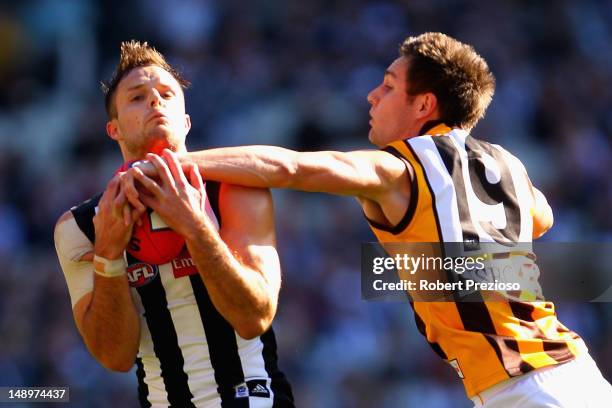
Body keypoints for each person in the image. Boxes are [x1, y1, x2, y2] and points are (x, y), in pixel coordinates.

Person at [124, 33, 611, 407]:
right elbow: (540, 216)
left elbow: (289, 166)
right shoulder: (509, 162)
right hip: (572, 370)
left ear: (424, 106)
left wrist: (171, 165)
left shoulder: (399, 168)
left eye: (389, 86)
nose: (371, 96)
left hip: (526, 388)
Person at [54, 41, 294, 408]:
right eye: (137, 97)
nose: (155, 102)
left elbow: (254, 317)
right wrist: (107, 256)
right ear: (113, 129)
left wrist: (196, 228)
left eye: (167, 94)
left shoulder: (237, 191)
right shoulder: (81, 227)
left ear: (185, 121)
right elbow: (115, 356)